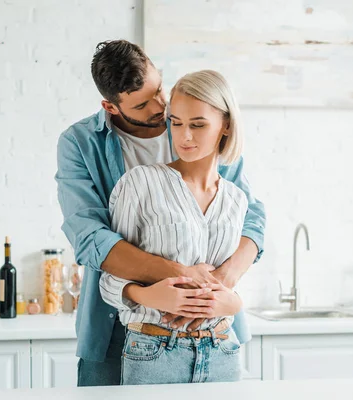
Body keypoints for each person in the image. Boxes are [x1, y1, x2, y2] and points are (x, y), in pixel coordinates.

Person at [55, 40, 266, 387]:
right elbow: (90, 237)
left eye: (159, 90)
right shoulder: (81, 143)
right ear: (110, 106)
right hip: (118, 324)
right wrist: (181, 279)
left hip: (211, 325)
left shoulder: (195, 124)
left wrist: (220, 284)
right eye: (142, 103)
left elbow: (251, 217)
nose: (161, 106)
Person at [100, 70, 247, 384]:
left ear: (226, 125)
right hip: (153, 351)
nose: (184, 137)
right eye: (176, 123)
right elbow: (108, 279)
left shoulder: (236, 200)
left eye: (198, 125)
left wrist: (233, 302)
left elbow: (228, 284)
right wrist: (149, 296)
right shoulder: (141, 183)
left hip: (222, 349)